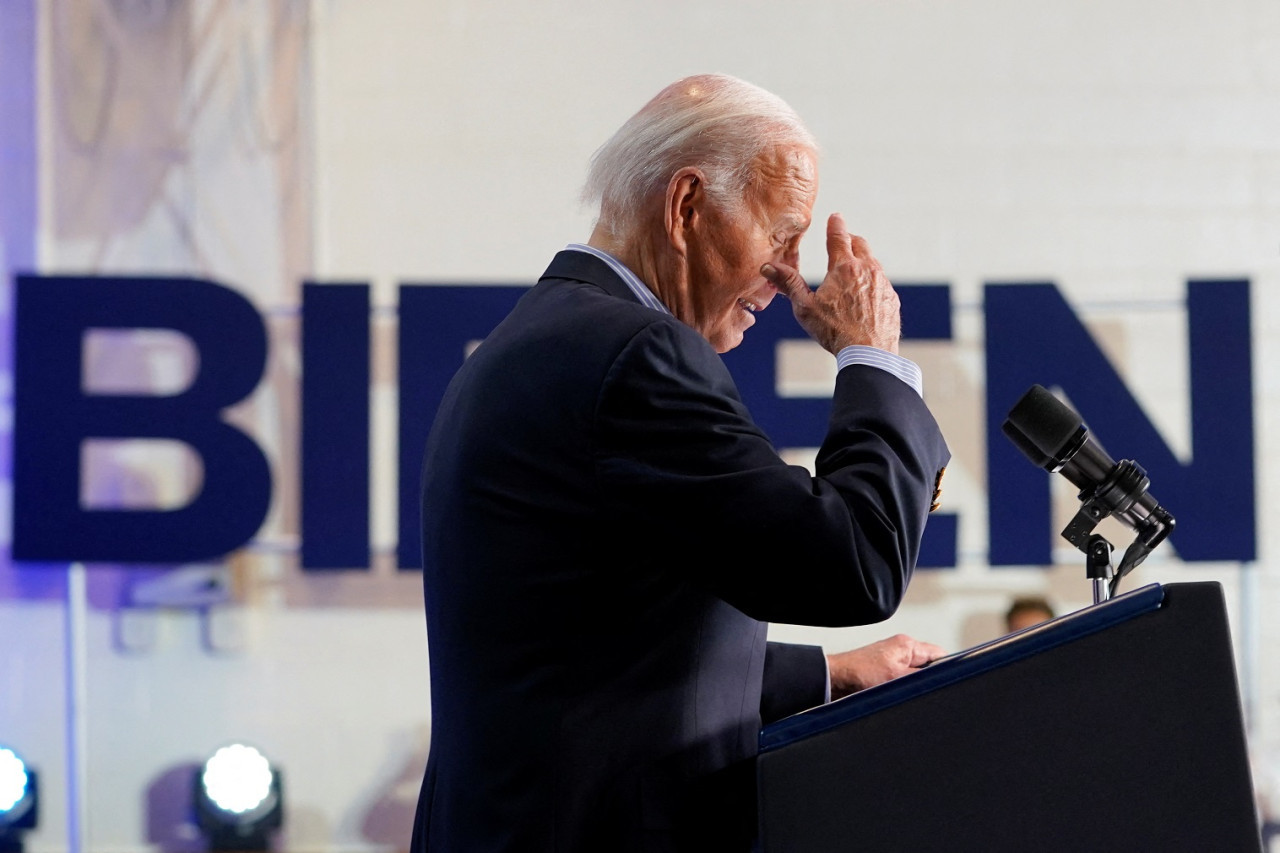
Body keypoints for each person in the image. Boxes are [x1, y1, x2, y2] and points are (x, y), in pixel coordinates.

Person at [411, 74, 951, 852]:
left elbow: (593, 647)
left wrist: (830, 675)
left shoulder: (538, 341)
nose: (790, 272)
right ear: (687, 206)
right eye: (781, 232)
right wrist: (871, 358)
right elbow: (852, 565)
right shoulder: (635, 355)